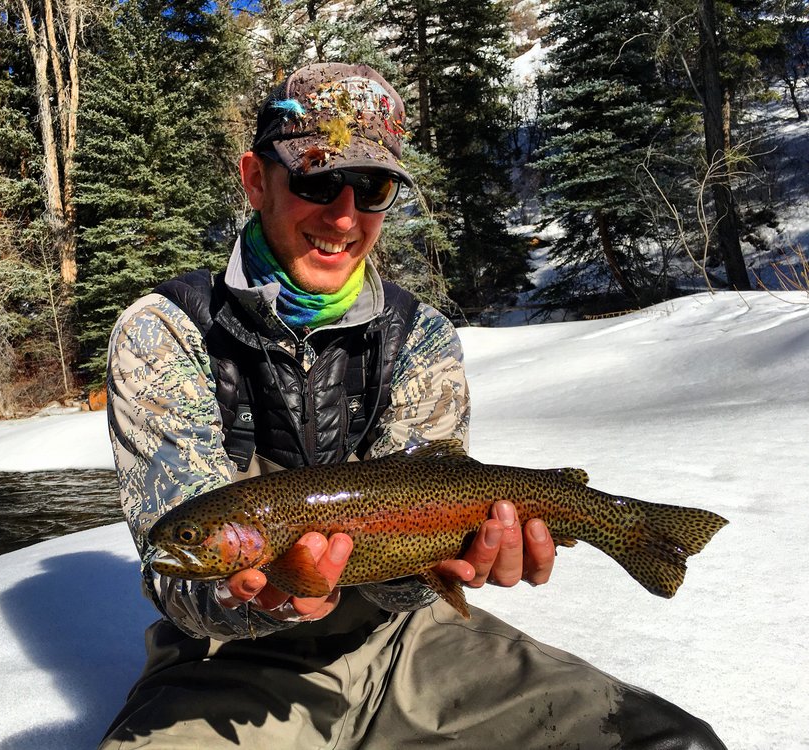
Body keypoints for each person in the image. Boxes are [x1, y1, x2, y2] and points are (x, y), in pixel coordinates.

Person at [100, 63, 725, 749]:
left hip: (410, 643)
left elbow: (420, 547)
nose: (344, 215)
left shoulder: (420, 335)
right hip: (230, 665)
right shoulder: (165, 332)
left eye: (373, 189)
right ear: (256, 180)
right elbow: (172, 575)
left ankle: (632, 531)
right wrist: (252, 598)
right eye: (315, 177)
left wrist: (456, 562)